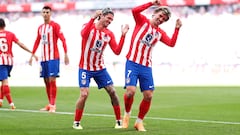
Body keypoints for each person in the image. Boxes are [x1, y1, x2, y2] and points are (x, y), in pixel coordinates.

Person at [122, 0, 182, 132]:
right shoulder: (141, 21)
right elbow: (134, 11)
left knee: (148, 95)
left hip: (146, 67)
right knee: (130, 91)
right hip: (132, 62)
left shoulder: (159, 33)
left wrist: (177, 29)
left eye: (164, 19)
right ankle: (126, 114)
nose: (161, 19)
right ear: (154, 13)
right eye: (160, 16)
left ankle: (139, 122)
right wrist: (151, 3)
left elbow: (171, 43)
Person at [72, 8, 129, 130]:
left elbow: (117, 51)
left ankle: (119, 121)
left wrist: (123, 36)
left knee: (112, 92)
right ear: (101, 16)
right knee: (84, 94)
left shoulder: (109, 34)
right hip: (85, 68)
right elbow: (83, 34)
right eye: (108, 18)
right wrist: (92, 17)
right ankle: (76, 122)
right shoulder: (88, 26)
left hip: (100, 69)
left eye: (112, 20)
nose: (110, 21)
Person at [29, 6, 69, 113]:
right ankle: (49, 104)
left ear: (50, 13)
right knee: (46, 81)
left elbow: (63, 39)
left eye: (47, 12)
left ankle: (53, 105)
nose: (45, 14)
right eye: (44, 12)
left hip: (53, 57)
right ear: (41, 14)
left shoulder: (55, 26)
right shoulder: (40, 28)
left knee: (52, 80)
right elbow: (37, 41)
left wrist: (66, 53)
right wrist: (32, 55)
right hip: (44, 58)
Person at [0, 18, 37, 110]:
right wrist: (31, 52)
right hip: (9, 61)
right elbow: (21, 44)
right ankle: (0, 100)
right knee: (3, 80)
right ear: (4, 25)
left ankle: (11, 104)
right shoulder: (10, 34)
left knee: (4, 81)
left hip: (0, 61)